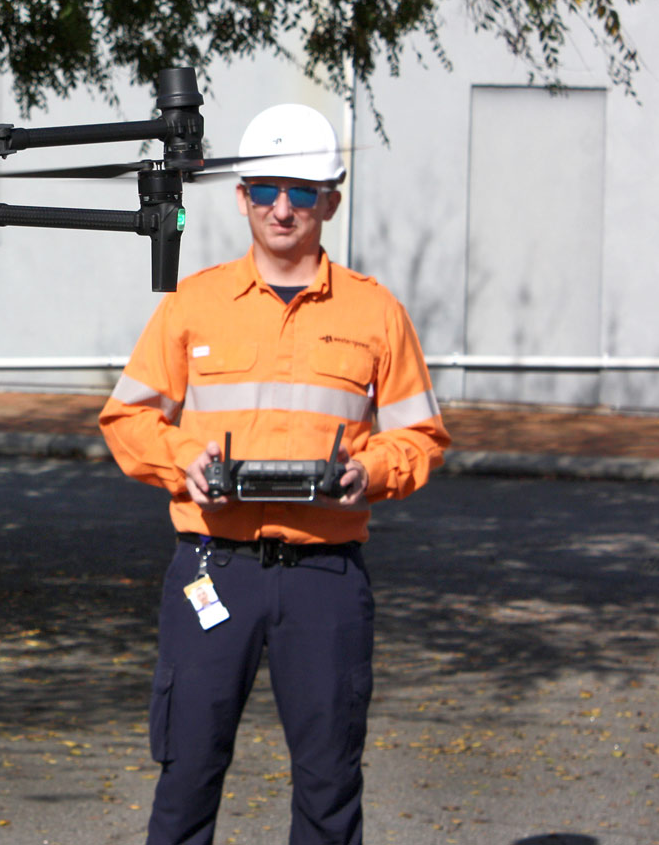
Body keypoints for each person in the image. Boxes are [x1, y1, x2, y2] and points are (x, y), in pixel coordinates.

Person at [99, 102, 449, 845]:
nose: (281, 207)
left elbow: (421, 436)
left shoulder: (376, 311)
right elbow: (126, 419)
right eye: (264, 190)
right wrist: (182, 462)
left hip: (326, 578)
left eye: (299, 190)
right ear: (242, 197)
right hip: (212, 568)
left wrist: (370, 472)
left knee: (328, 783)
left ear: (332, 198)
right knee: (187, 770)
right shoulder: (193, 305)